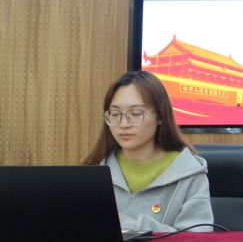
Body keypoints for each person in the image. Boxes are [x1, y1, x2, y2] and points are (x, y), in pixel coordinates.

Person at [84, 71, 214, 232]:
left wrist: (130, 224)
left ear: (160, 116)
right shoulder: (95, 171)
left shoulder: (190, 172)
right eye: (115, 114)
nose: (123, 124)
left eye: (136, 113)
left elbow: (197, 240)